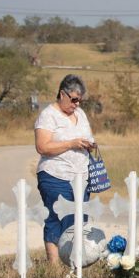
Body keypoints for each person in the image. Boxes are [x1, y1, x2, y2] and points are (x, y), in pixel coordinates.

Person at [34, 74, 96, 265]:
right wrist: (71, 143)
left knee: (79, 220)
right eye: (74, 99)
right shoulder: (48, 115)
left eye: (80, 100)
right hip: (55, 176)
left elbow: (87, 136)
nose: (77, 104)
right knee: (57, 217)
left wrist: (89, 144)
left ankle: (72, 263)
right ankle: (54, 266)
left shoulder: (81, 114)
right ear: (62, 94)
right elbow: (42, 147)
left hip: (81, 177)